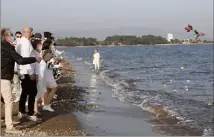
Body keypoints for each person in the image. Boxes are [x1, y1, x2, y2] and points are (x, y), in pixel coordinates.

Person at [1, 28, 41, 134]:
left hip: (4, 75)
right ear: (5, 36)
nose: (12, 37)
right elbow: (20, 60)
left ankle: (9, 120)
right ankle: (9, 127)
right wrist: (34, 59)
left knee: (6, 99)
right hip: (4, 77)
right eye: (10, 35)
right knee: (9, 101)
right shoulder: (8, 47)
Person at [17, 27, 39, 121]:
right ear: (28, 32)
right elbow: (26, 58)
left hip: (21, 70)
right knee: (32, 92)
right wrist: (31, 73)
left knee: (24, 92)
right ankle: (30, 112)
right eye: (31, 33)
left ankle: (21, 111)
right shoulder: (25, 42)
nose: (31, 35)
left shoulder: (19, 42)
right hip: (27, 71)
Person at [42, 39, 62, 112]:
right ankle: (46, 105)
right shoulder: (48, 52)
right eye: (52, 44)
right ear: (49, 45)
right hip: (47, 73)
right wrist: (58, 66)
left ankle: (45, 104)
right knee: (54, 88)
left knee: (47, 89)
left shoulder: (43, 51)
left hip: (44, 72)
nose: (53, 46)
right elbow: (49, 65)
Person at [31, 39, 47, 115]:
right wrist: (36, 77)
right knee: (36, 94)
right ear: (36, 46)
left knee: (39, 93)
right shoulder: (34, 54)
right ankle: (35, 111)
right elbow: (35, 67)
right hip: (38, 77)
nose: (41, 46)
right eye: (40, 45)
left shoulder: (38, 53)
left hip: (41, 77)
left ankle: (36, 109)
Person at [12, 31, 22, 103]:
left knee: (22, 83)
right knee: (16, 82)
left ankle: (22, 96)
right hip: (14, 66)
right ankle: (17, 96)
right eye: (17, 37)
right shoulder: (12, 45)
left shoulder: (23, 45)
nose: (18, 38)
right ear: (15, 37)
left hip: (21, 67)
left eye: (20, 37)